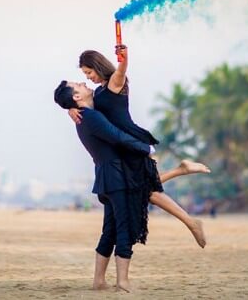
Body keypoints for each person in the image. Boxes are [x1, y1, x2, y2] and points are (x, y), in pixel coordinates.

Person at [69, 46, 210, 247]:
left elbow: (121, 71)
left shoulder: (115, 83)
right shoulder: (98, 91)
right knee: (140, 188)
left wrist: (124, 59)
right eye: (84, 74)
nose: (88, 77)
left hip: (131, 141)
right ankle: (182, 173)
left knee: (145, 191)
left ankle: (191, 220)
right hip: (122, 144)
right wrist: (71, 109)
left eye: (89, 72)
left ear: (97, 66)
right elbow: (83, 104)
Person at [55, 80, 174, 292]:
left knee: (110, 230)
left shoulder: (84, 116)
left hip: (106, 177)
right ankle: (123, 281)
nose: (83, 82)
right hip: (116, 177)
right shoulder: (89, 117)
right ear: (76, 97)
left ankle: (99, 281)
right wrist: (147, 149)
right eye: (78, 84)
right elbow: (116, 136)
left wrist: (69, 109)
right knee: (124, 228)